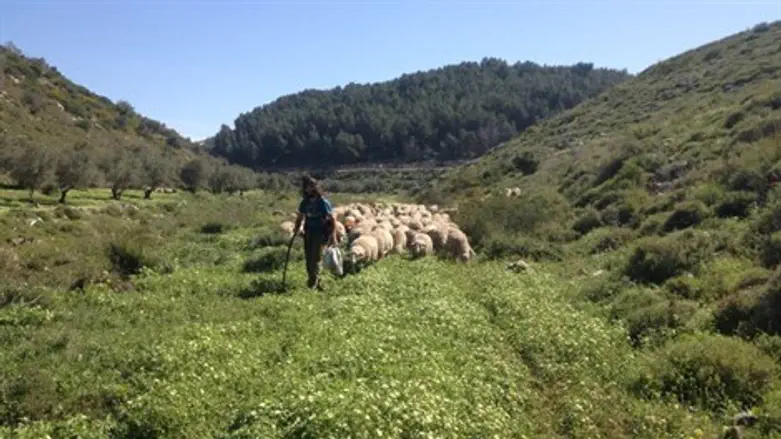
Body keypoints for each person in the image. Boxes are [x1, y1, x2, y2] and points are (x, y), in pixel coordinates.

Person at [293, 175, 337, 290]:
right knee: (308, 258)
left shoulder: (322, 202)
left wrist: (333, 236)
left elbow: (331, 219)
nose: (309, 189)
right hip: (308, 232)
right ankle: (312, 279)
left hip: (320, 232)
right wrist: (296, 228)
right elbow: (300, 217)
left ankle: (316, 281)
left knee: (316, 257)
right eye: (307, 187)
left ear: (315, 187)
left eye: (311, 186)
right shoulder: (305, 202)